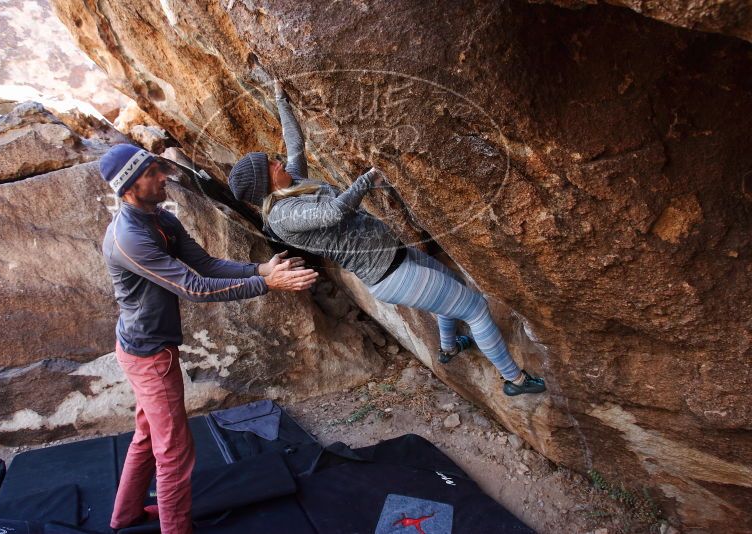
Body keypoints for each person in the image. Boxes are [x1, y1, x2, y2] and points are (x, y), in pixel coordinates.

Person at [228, 82, 545, 398]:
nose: (278, 161)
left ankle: (449, 348)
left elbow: (294, 144)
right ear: (265, 185)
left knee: (449, 284)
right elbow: (333, 212)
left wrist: (280, 97)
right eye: (270, 165)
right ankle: (515, 381)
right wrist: (369, 176)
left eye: (271, 158)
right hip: (391, 275)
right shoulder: (283, 215)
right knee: (475, 308)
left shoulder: (293, 182)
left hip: (397, 256)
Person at [99, 144, 318, 533]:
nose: (163, 176)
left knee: (149, 437)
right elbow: (195, 288)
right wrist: (266, 284)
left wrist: (258, 267)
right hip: (149, 356)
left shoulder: (160, 219)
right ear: (130, 187)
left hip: (144, 347)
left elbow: (204, 263)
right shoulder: (129, 237)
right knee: (175, 453)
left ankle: (125, 516)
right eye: (152, 173)